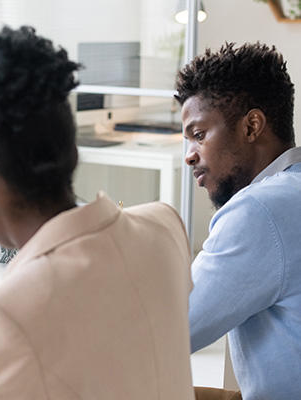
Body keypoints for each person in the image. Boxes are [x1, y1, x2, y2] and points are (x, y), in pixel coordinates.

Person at [0, 26, 195, 399]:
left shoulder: (3, 316)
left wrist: (1, 326)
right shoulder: (164, 227)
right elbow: (108, 320)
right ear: (72, 153)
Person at [176, 42, 301, 399]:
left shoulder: (260, 211)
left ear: (252, 126)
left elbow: (169, 332)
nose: (189, 156)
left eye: (199, 135)